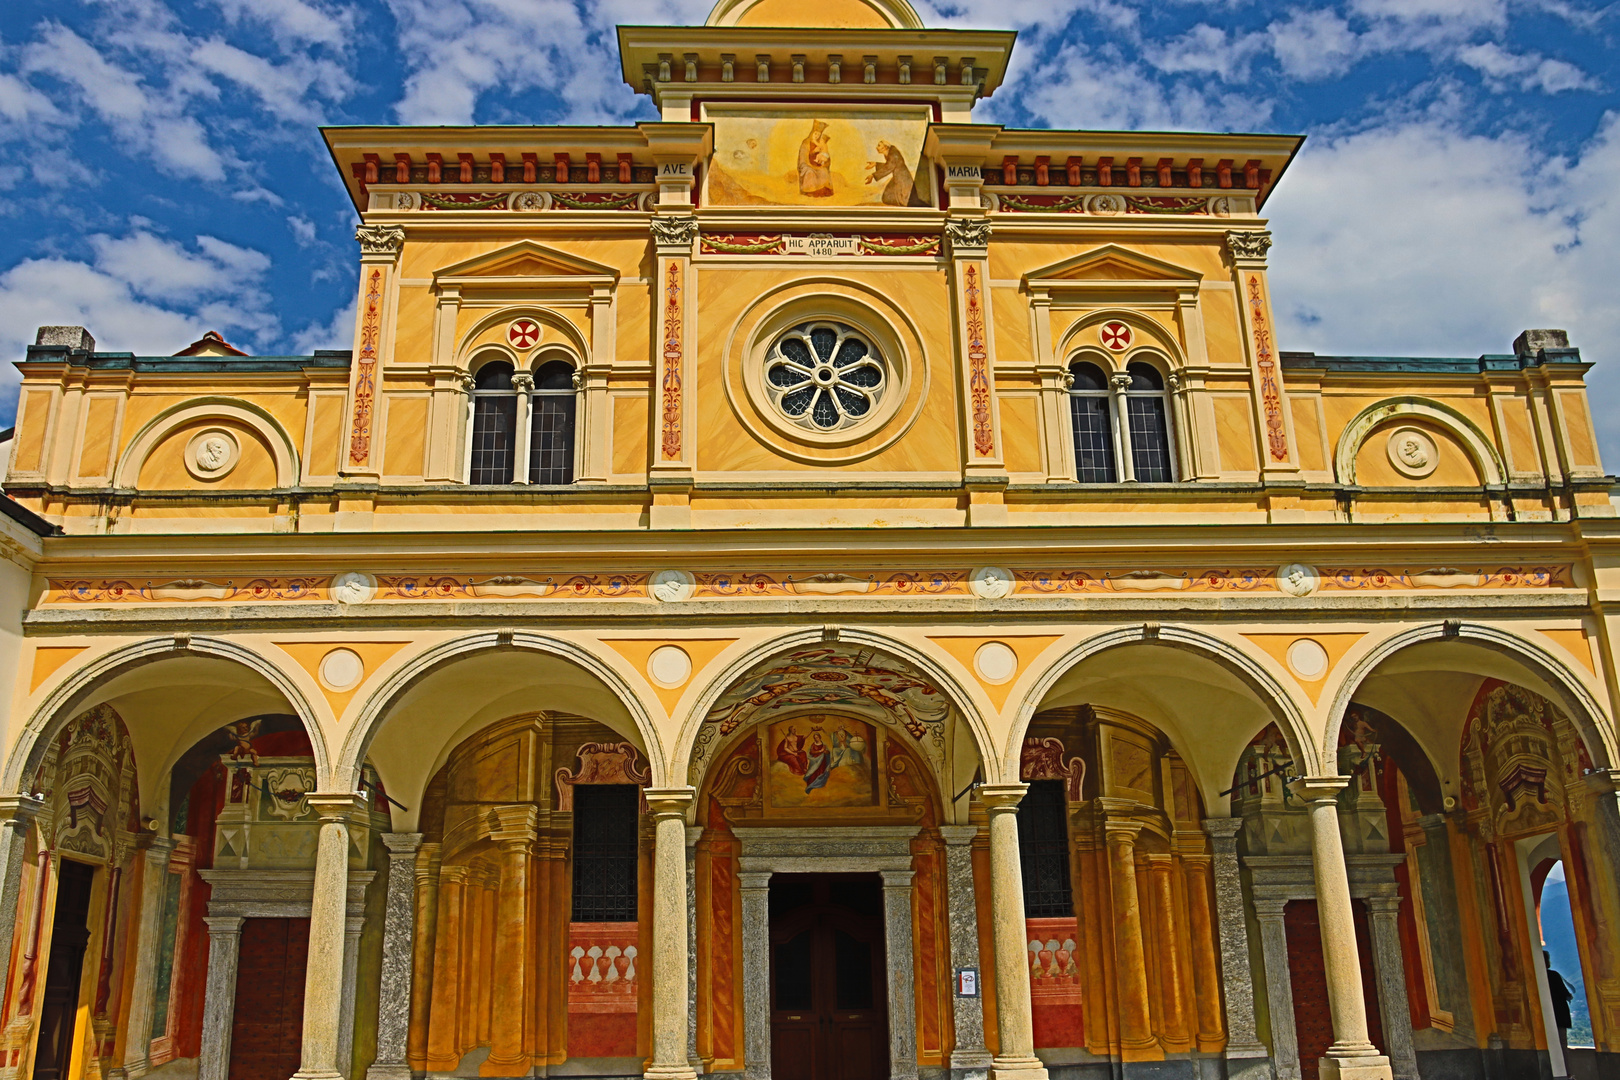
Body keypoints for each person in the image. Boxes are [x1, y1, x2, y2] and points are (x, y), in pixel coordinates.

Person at [1546, 950, 1574, 1061]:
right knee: (1562, 1045)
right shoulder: (1553, 975)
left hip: (1545, 1018)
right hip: (1559, 1016)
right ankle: (1566, 1073)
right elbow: (1565, 994)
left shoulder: (1535, 977)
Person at [798, 121, 833, 197]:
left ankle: (823, 192)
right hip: (807, 165)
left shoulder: (821, 144)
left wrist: (824, 161)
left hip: (818, 165)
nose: (817, 136)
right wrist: (813, 152)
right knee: (809, 172)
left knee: (823, 171)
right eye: (815, 134)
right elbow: (803, 157)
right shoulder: (805, 143)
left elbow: (826, 155)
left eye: (819, 135)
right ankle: (811, 192)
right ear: (812, 133)